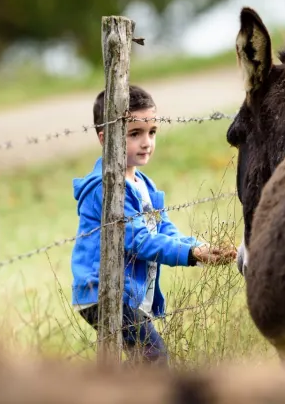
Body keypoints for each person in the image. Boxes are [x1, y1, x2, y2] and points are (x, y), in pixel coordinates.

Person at [69, 85, 236, 365]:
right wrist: (190, 255)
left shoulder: (144, 185)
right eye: (135, 134)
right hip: (102, 291)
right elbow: (140, 242)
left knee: (142, 360)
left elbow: (164, 230)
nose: (146, 142)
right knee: (153, 357)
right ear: (105, 138)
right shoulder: (107, 188)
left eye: (152, 132)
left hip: (125, 293)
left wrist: (200, 247)